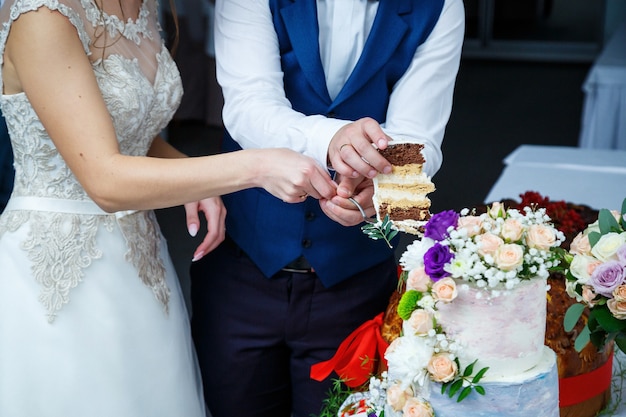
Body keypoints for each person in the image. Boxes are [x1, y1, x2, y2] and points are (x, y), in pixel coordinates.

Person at [0, 0, 337, 416]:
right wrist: (256, 165)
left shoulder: (140, 6)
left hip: (140, 265)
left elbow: (127, 131)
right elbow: (104, 180)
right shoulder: (42, 16)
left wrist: (190, 174)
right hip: (58, 273)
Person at [189, 1, 465, 416]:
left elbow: (421, 134)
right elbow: (248, 106)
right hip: (241, 269)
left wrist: (388, 189)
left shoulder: (440, 6)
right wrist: (335, 140)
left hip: (357, 283)